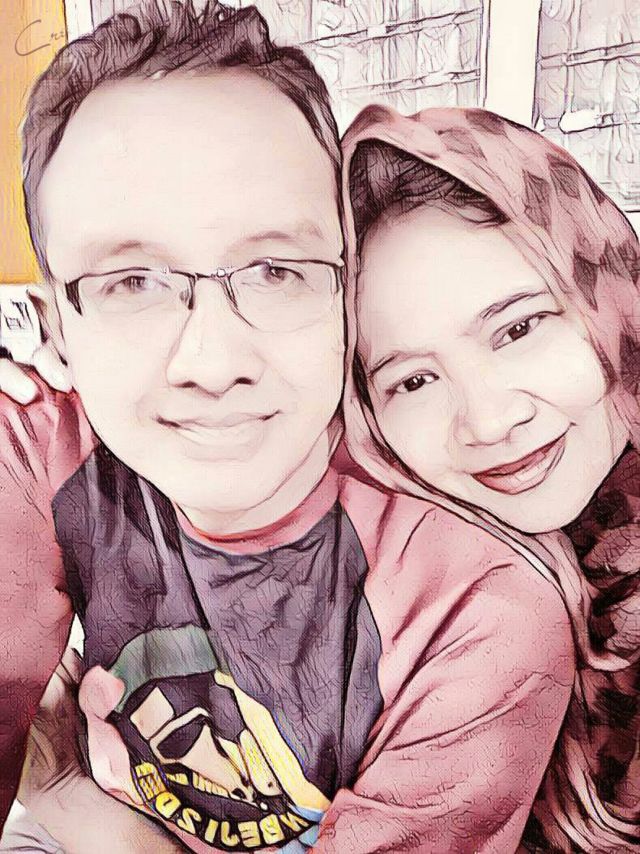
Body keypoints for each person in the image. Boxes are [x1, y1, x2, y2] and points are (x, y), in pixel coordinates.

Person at [0, 3, 575, 851]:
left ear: (346, 291)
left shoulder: (478, 603)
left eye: (274, 270)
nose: (212, 361)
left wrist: (75, 805)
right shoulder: (40, 444)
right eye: (131, 282)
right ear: (57, 327)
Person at [341, 103, 640, 851]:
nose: (488, 420)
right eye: (413, 381)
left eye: (518, 328)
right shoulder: (396, 601)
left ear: (609, 300)